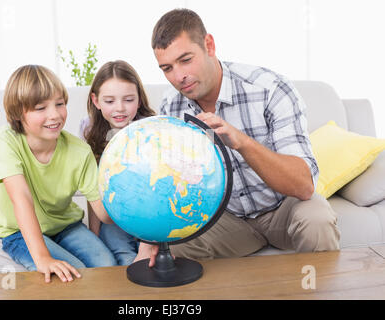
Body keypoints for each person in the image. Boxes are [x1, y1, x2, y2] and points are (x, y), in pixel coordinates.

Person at [136, 8, 340, 265]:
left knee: (317, 219)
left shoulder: (270, 89)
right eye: (167, 68)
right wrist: (149, 240)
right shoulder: (172, 107)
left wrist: (241, 142)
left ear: (209, 45)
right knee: (175, 244)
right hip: (228, 219)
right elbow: (172, 184)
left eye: (186, 60)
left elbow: (303, 185)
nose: (178, 77)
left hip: (284, 209)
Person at [0, 65, 117, 283]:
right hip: (18, 232)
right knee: (71, 274)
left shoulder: (79, 150)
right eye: (41, 108)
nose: (55, 115)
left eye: (60, 104)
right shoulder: (5, 140)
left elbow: (104, 214)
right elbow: (21, 198)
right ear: (19, 113)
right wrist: (42, 257)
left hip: (66, 226)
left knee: (107, 267)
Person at [80, 60, 156, 265]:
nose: (120, 109)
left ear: (139, 100)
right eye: (109, 101)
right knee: (120, 256)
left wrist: (147, 244)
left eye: (129, 99)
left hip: (151, 214)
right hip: (115, 216)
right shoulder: (88, 129)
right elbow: (92, 187)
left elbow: (157, 192)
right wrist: (94, 235)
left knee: (148, 261)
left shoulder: (151, 129)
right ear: (96, 101)